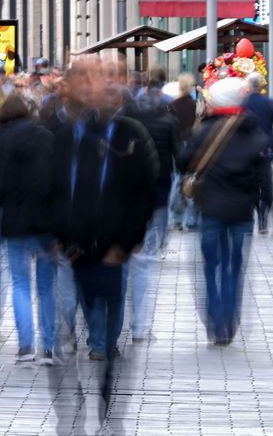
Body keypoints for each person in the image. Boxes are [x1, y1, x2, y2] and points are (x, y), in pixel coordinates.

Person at [51, 57, 159, 361]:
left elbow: (144, 188)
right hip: (79, 231)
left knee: (114, 286)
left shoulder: (133, 132)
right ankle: (98, 337)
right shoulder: (75, 133)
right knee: (87, 289)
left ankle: (103, 341)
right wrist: (59, 232)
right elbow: (59, 183)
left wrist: (129, 239)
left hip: (116, 230)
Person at [179, 75, 271, 345]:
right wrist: (264, 206)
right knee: (234, 266)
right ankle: (229, 320)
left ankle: (215, 318)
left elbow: (183, 161)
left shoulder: (204, 131)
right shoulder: (254, 132)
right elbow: (264, 177)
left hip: (210, 209)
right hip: (242, 212)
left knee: (211, 266)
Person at [0, 94, 58, 364]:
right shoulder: (47, 138)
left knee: (20, 283)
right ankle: (47, 348)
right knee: (46, 286)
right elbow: (58, 181)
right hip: (46, 223)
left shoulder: (3, 141)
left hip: (15, 222)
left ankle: (25, 346)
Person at [121, 67, 181, 343]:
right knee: (145, 257)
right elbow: (179, 156)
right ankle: (140, 326)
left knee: (125, 261)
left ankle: (119, 322)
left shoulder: (128, 121)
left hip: (129, 194)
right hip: (159, 190)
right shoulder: (168, 120)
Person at [241, 73, 273, 233]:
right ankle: (263, 215)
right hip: (266, 150)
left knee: (251, 184)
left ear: (248, 86)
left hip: (247, 150)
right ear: (260, 86)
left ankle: (256, 210)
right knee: (266, 185)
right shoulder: (269, 102)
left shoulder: (243, 103)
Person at [169, 74, 199, 231]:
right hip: (192, 146)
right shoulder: (195, 105)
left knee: (178, 179)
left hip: (177, 145)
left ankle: (176, 218)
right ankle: (192, 220)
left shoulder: (172, 105)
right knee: (192, 179)